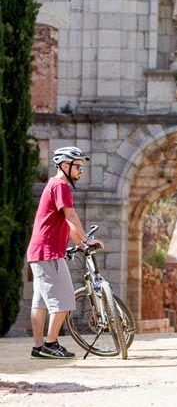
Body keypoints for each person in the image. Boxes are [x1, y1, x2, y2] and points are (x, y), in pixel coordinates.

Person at [27, 146, 103, 359]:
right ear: (64, 165)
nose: (80, 170)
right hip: (49, 253)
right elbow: (71, 217)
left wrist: (80, 244)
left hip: (39, 251)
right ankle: (51, 343)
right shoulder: (61, 186)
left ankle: (39, 346)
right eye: (77, 166)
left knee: (40, 302)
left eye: (81, 166)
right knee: (65, 298)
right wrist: (87, 240)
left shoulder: (53, 185)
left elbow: (67, 226)